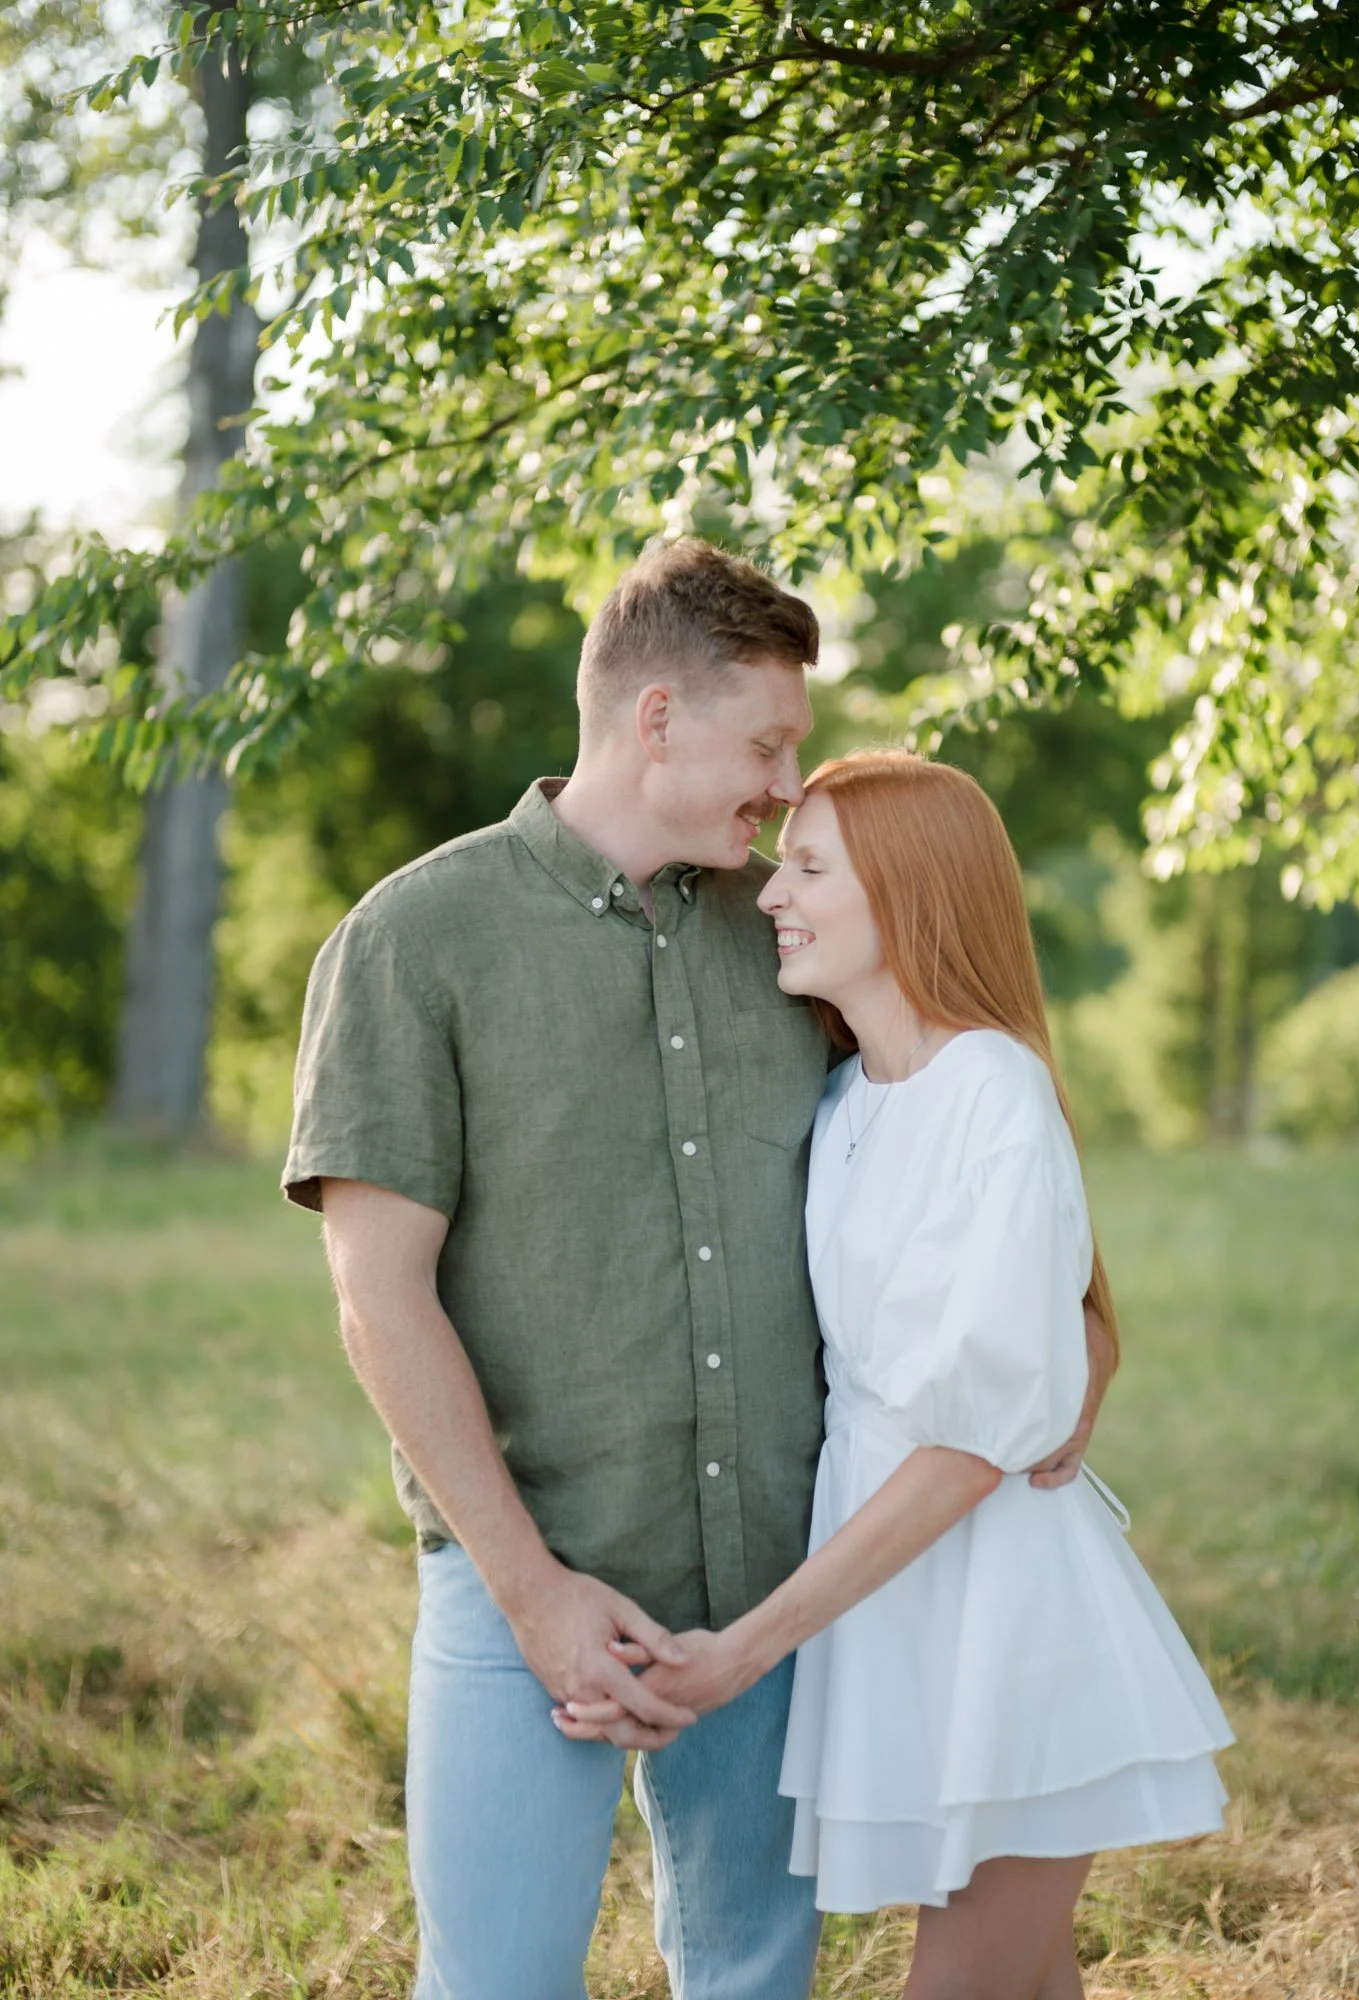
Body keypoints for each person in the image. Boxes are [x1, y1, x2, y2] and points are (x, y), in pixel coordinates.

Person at [282, 542, 1113, 2000]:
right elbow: (377, 1294)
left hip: (770, 1585)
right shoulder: (414, 941)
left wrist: (1080, 1346)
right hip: (523, 1581)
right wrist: (533, 1590)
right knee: (497, 1985)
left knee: (749, 1977)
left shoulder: (793, 926)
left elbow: (982, 1135)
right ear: (656, 717)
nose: (788, 787)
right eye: (770, 743)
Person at [560, 751, 1233, 2000]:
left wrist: (748, 1648)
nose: (770, 890)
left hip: (997, 1605)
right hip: (897, 1594)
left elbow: (974, 1438)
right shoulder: (840, 1100)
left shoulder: (992, 1089)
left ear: (910, 896)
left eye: (811, 867)